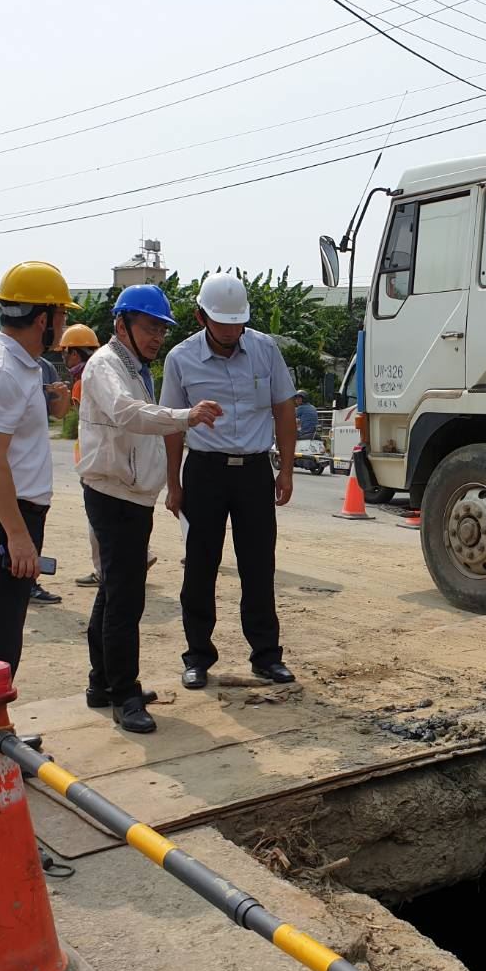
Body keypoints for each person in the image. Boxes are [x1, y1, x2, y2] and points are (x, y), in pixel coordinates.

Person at [0, 260, 77, 767]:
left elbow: (17, 433)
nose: (64, 327)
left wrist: (55, 403)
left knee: (1, 640)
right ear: (44, 317)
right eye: (60, 316)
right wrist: (19, 537)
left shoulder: (21, 368)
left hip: (7, 516)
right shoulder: (1, 370)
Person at [79, 284, 221, 733]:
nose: (157, 336)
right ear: (121, 324)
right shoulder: (106, 365)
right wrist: (184, 416)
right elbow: (127, 413)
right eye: (148, 327)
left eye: (161, 328)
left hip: (129, 494)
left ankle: (103, 683)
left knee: (115, 592)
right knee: (125, 599)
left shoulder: (134, 366)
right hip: (113, 494)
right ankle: (124, 695)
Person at [162, 273, 298, 689]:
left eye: (237, 323)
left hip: (255, 470)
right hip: (204, 471)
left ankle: (266, 655)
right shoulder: (180, 359)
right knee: (200, 566)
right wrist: (174, 482)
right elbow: (171, 425)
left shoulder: (264, 349)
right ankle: (198, 656)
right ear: (201, 316)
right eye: (222, 324)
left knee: (259, 565)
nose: (230, 332)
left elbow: (284, 410)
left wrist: (286, 469)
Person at [57, 323, 104, 587]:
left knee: (96, 517)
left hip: (90, 458)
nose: (64, 358)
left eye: (65, 353)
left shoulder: (80, 383)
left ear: (75, 354)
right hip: (105, 455)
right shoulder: (106, 371)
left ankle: (101, 570)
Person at [29, 354, 67, 605]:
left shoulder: (45, 367)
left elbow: (59, 414)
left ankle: (29, 583)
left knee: (34, 521)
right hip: (12, 462)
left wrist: (61, 395)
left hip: (36, 459)